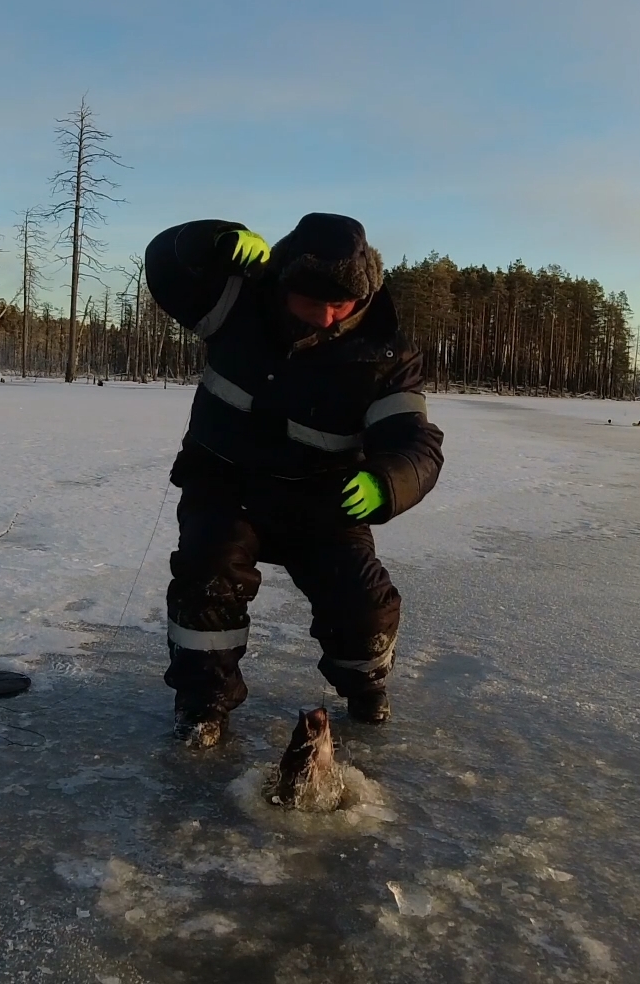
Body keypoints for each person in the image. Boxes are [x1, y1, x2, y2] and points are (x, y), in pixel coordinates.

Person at [144, 213, 445, 748]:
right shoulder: (236, 301)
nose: (329, 317)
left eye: (342, 305)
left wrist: (387, 481)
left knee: (362, 604)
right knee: (208, 577)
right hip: (225, 483)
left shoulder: (386, 352)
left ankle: (365, 683)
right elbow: (165, 266)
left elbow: (414, 442)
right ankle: (203, 703)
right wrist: (212, 237)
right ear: (284, 283)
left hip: (323, 500)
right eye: (314, 302)